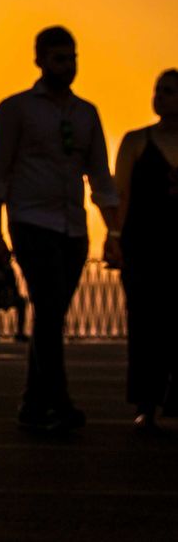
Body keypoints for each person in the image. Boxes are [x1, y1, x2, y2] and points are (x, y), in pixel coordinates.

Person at [0, 26, 120, 433]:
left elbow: (100, 178)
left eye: (72, 57)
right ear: (40, 60)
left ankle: (32, 402)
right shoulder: (15, 110)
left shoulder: (86, 114)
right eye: (60, 58)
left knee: (50, 313)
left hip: (73, 229)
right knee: (48, 307)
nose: (68, 65)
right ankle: (59, 401)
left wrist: (114, 234)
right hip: (31, 222)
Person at [113, 68, 178, 433]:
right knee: (144, 325)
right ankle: (146, 403)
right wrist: (114, 236)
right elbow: (120, 193)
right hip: (144, 247)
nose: (160, 97)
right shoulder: (137, 141)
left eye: (168, 91)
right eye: (158, 90)